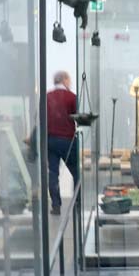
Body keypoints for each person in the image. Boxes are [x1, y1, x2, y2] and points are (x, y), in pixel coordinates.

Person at [46, 70, 79, 215]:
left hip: (51, 140)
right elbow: (77, 116)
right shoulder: (72, 97)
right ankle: (77, 203)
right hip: (68, 140)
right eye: (69, 80)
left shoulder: (47, 97)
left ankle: (56, 205)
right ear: (65, 80)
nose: (70, 83)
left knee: (53, 173)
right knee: (76, 172)